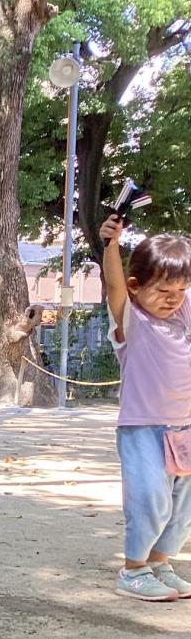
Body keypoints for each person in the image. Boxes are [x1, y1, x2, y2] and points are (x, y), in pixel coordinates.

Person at [99, 215, 191, 601]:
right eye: (164, 290)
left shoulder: (183, 315)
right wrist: (111, 246)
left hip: (184, 427)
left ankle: (159, 562)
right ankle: (133, 570)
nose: (174, 298)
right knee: (150, 497)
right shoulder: (131, 319)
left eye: (181, 290)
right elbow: (114, 286)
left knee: (183, 506)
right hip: (142, 428)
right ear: (136, 287)